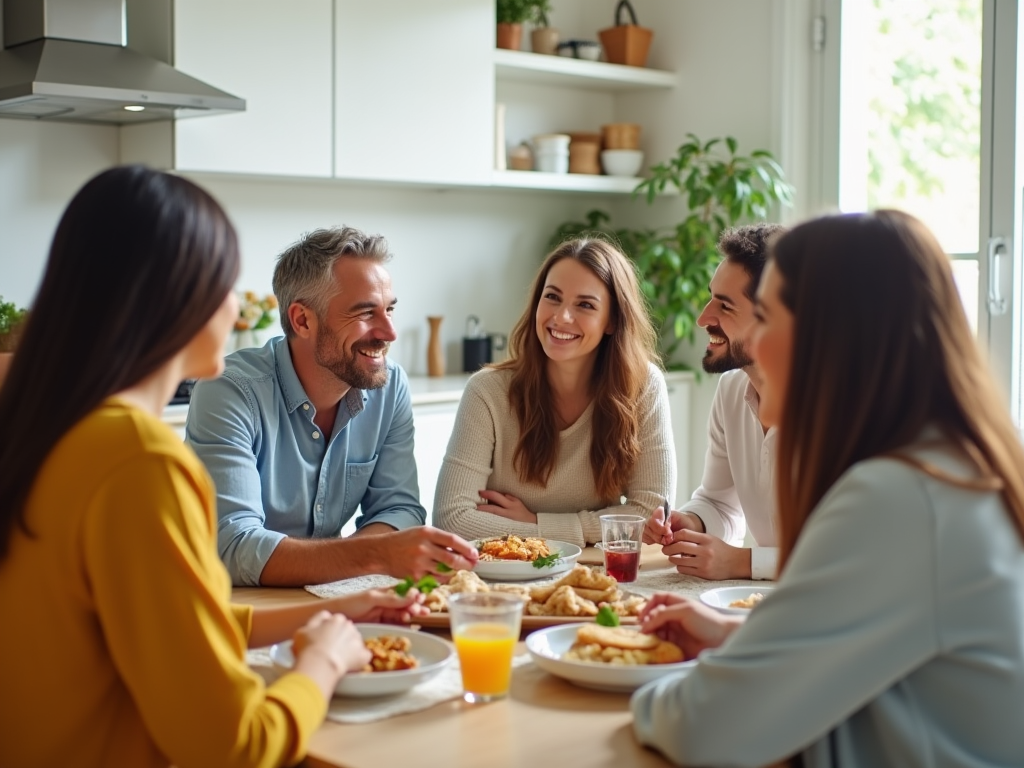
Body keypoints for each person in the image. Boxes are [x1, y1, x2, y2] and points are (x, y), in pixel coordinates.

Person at [0, 166, 430, 768]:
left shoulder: (59, 433)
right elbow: (234, 746)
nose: (236, 309)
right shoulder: (141, 462)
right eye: (224, 286)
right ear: (166, 302)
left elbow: (164, 630)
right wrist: (323, 661)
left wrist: (330, 613)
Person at [631, 210, 1024, 767]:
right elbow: (885, 667)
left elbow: (707, 727)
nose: (753, 349)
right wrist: (738, 640)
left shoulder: (898, 498)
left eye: (766, 317)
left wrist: (649, 679)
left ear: (831, 335)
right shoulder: (944, 463)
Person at [186, 226, 478, 586]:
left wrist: (344, 567)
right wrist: (375, 554)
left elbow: (399, 510)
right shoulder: (229, 391)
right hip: (237, 607)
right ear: (302, 320)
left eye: (389, 310)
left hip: (333, 599)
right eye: (365, 313)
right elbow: (233, 547)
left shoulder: (390, 385)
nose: (389, 332)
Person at [434, 238, 675, 546]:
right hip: (505, 574)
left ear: (612, 320)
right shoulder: (487, 391)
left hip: (600, 574)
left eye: (585, 305)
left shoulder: (643, 387)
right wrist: (587, 529)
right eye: (552, 297)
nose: (561, 317)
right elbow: (451, 519)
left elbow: (651, 514)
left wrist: (536, 524)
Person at [644, 223, 786, 580]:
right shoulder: (731, 391)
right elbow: (719, 502)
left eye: (725, 306)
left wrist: (743, 563)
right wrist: (689, 523)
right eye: (711, 298)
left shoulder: (844, 410)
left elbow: (855, 558)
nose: (703, 318)